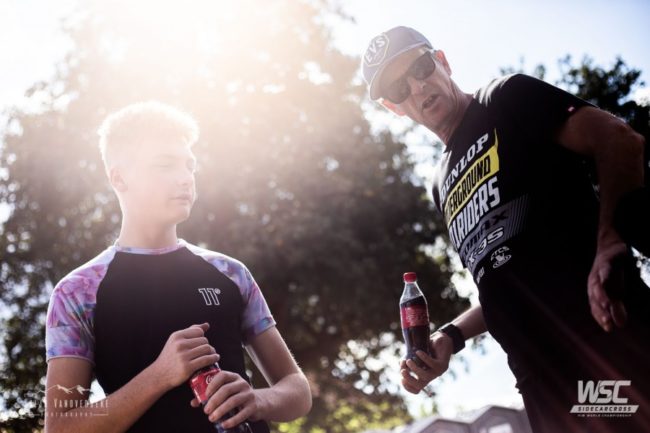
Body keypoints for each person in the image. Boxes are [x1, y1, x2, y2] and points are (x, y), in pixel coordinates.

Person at [362, 26, 650, 432]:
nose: (417, 86)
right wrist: (450, 337)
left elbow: (619, 140)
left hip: (604, 343)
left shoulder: (506, 99)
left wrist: (610, 241)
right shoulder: (440, 184)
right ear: (395, 108)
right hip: (542, 385)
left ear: (442, 61)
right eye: (399, 88)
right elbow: (499, 281)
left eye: (420, 68)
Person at [44, 102, 312, 433]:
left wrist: (259, 400)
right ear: (119, 178)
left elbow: (298, 390)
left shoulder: (230, 273)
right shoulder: (77, 292)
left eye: (190, 166)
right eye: (165, 165)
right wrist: (160, 375)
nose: (185, 178)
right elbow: (60, 428)